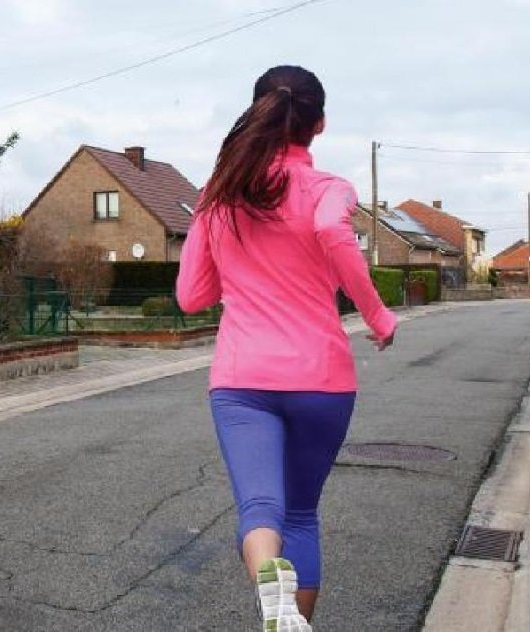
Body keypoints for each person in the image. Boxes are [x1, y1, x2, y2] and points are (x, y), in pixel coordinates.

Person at [175, 65, 397, 631]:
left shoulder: (218, 197)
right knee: (301, 513)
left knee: (261, 510)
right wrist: (376, 313)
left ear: (259, 115)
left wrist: (237, 253)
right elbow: (330, 231)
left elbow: (192, 297)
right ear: (318, 125)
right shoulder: (330, 189)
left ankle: (268, 577)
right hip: (322, 380)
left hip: (242, 380)